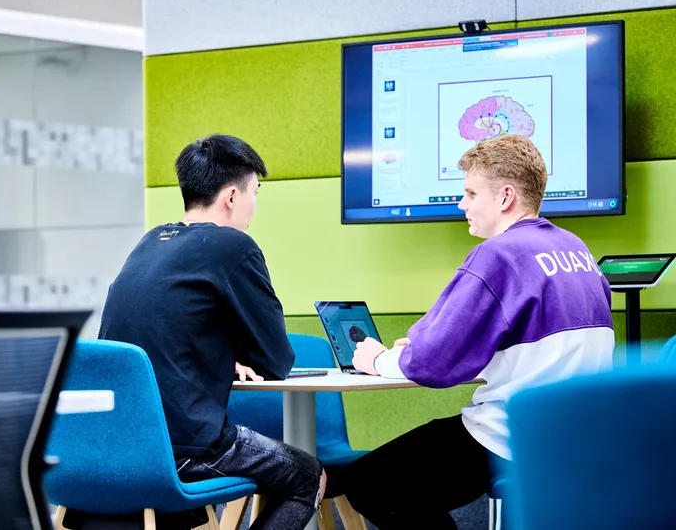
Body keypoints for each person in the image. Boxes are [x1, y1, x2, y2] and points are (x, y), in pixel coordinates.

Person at [343, 134, 615, 529]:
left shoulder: (499, 255)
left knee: (370, 482)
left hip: (515, 436)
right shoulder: (577, 250)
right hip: (580, 436)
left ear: (505, 197)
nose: (462, 204)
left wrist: (379, 359)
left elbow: (432, 363)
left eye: (470, 193)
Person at [98, 134, 326, 530]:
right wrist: (241, 353)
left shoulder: (151, 241)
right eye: (256, 192)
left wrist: (223, 353)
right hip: (185, 449)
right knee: (309, 477)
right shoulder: (233, 246)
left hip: (117, 445)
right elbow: (276, 361)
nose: (255, 205)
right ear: (233, 196)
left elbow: (167, 330)